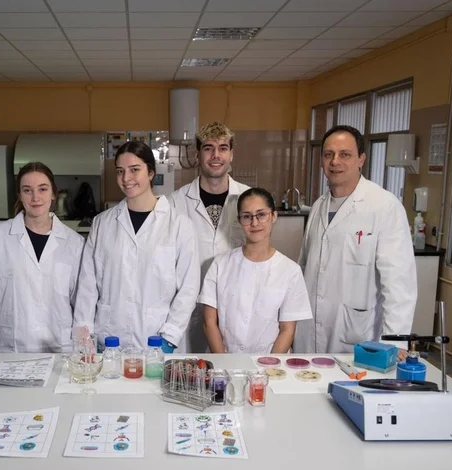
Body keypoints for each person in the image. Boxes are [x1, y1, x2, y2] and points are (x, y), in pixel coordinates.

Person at [294, 125, 417, 357]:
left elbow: (399, 285)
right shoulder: (319, 205)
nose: (335, 161)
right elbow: (304, 267)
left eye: (345, 154)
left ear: (361, 159)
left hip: (358, 333)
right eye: (328, 154)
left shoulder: (384, 206)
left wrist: (395, 342)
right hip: (309, 330)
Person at [74, 141, 200, 352]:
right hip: (110, 340)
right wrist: (84, 337)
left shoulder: (179, 225)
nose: (126, 178)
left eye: (135, 170)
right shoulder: (102, 223)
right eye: (120, 171)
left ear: (151, 172)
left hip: (158, 340)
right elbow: (87, 286)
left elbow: (188, 289)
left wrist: (169, 338)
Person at [0, 162, 84, 353]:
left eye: (42, 189)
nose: (35, 197)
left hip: (61, 347)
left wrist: (80, 349)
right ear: (19, 195)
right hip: (12, 347)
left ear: (53, 193)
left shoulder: (74, 242)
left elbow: (81, 303)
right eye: (27, 190)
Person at [199, 188, 312, 354]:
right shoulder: (220, 264)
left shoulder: (290, 271)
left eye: (261, 215)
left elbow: (287, 330)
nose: (254, 223)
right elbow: (209, 322)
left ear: (274, 216)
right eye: (247, 216)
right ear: (239, 220)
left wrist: (269, 368)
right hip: (224, 363)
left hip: (269, 366)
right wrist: (223, 364)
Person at [169, 122, 250, 353]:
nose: (216, 155)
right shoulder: (174, 203)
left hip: (234, 306)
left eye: (223, 148)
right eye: (208, 148)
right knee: (187, 376)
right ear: (197, 154)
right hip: (189, 308)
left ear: (232, 154)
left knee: (232, 375)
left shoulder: (248, 199)